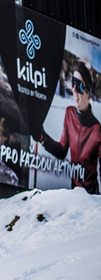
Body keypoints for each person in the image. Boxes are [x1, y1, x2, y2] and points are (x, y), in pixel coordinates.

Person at [40, 63, 100, 194]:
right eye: (73, 83)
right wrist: (42, 138)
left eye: (79, 85)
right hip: (73, 197)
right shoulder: (69, 113)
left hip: (92, 201)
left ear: (89, 95)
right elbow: (62, 151)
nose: (74, 90)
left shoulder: (97, 130)